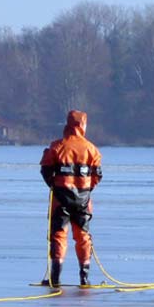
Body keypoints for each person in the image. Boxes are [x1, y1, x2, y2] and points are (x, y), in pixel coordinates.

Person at [39, 110, 103, 286]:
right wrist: (86, 190)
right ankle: (84, 277)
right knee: (83, 236)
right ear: (83, 125)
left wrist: (54, 186)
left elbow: (45, 170)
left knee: (59, 235)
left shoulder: (57, 146)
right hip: (83, 200)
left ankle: (55, 277)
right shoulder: (92, 149)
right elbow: (97, 175)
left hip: (61, 198)